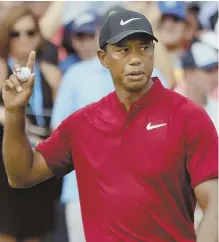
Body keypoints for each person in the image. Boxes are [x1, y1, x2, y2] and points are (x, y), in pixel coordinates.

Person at [2, 10, 218, 242]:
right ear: (103, 57)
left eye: (144, 47)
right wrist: (15, 113)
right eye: (124, 50)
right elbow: (21, 174)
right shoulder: (83, 123)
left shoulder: (189, 117)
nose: (135, 58)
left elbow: (215, 203)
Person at [0, 6, 62, 242]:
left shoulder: (51, 73)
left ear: (38, 35)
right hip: (4, 164)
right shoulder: (0, 68)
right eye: (16, 33)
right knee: (6, 230)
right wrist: (8, 114)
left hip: (38, 158)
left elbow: (63, 115)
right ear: (7, 37)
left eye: (29, 32)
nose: (24, 38)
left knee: (35, 232)